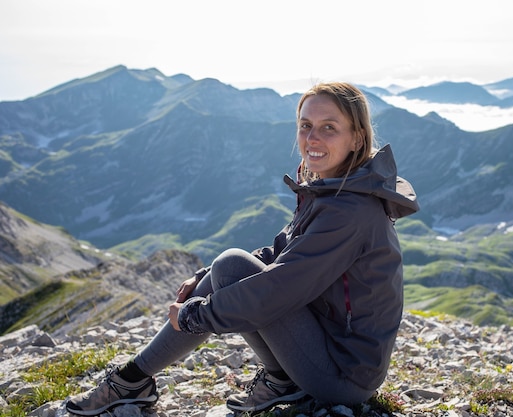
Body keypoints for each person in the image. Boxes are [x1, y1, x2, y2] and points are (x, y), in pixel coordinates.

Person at [65, 82, 419, 416]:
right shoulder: (335, 188)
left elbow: (278, 288)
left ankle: (131, 381)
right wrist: (206, 278)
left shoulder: (350, 210)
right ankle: (277, 381)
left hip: (344, 377)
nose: (312, 137)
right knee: (228, 266)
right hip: (330, 347)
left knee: (235, 272)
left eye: (329, 128)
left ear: (357, 139)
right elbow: (283, 253)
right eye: (305, 125)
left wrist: (195, 315)